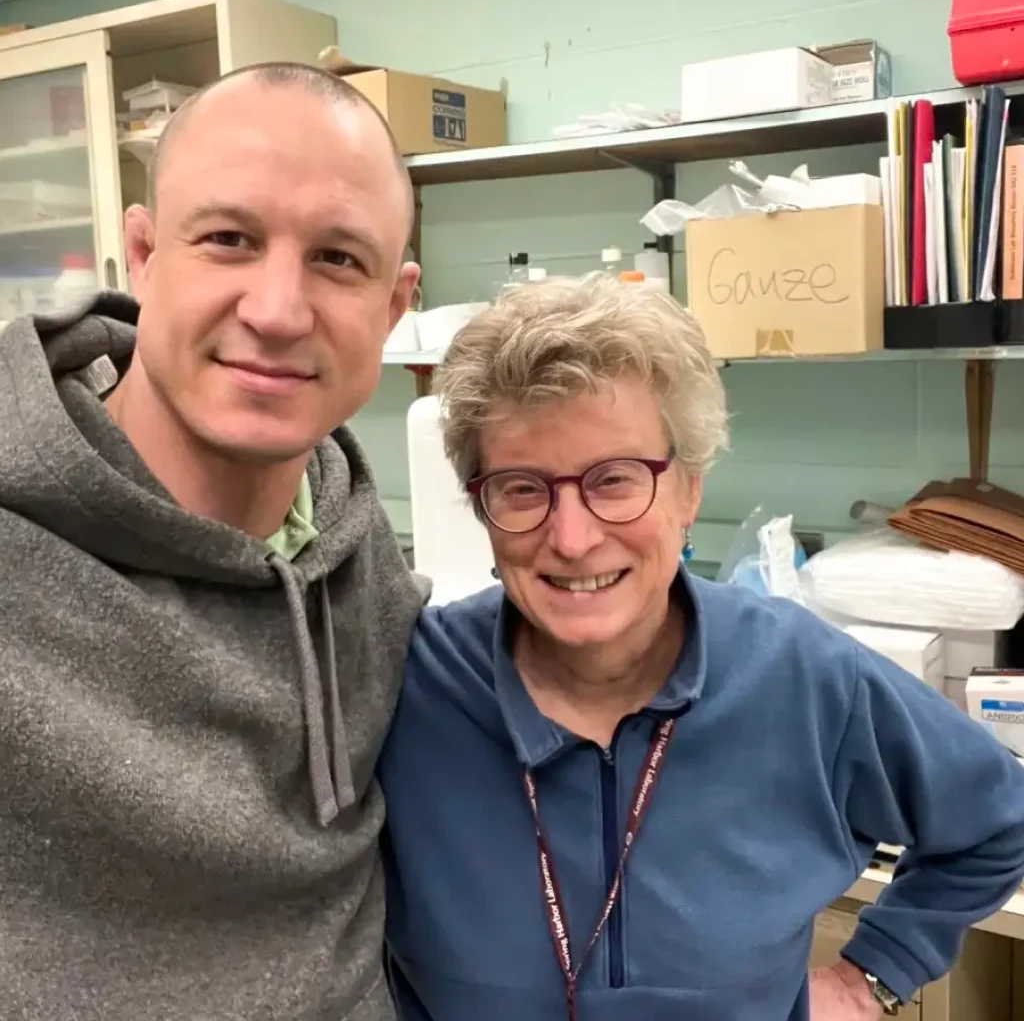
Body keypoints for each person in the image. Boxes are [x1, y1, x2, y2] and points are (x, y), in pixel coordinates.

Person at [379, 272, 1024, 1021]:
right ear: (479, 505)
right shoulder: (410, 683)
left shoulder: (802, 678)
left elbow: (998, 820)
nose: (573, 537)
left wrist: (868, 976)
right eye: (523, 488)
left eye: (615, 480)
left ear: (690, 489)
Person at [0, 64, 425, 1020]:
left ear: (394, 309)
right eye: (229, 239)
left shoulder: (360, 554)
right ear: (143, 255)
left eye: (338, 259)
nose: (277, 311)